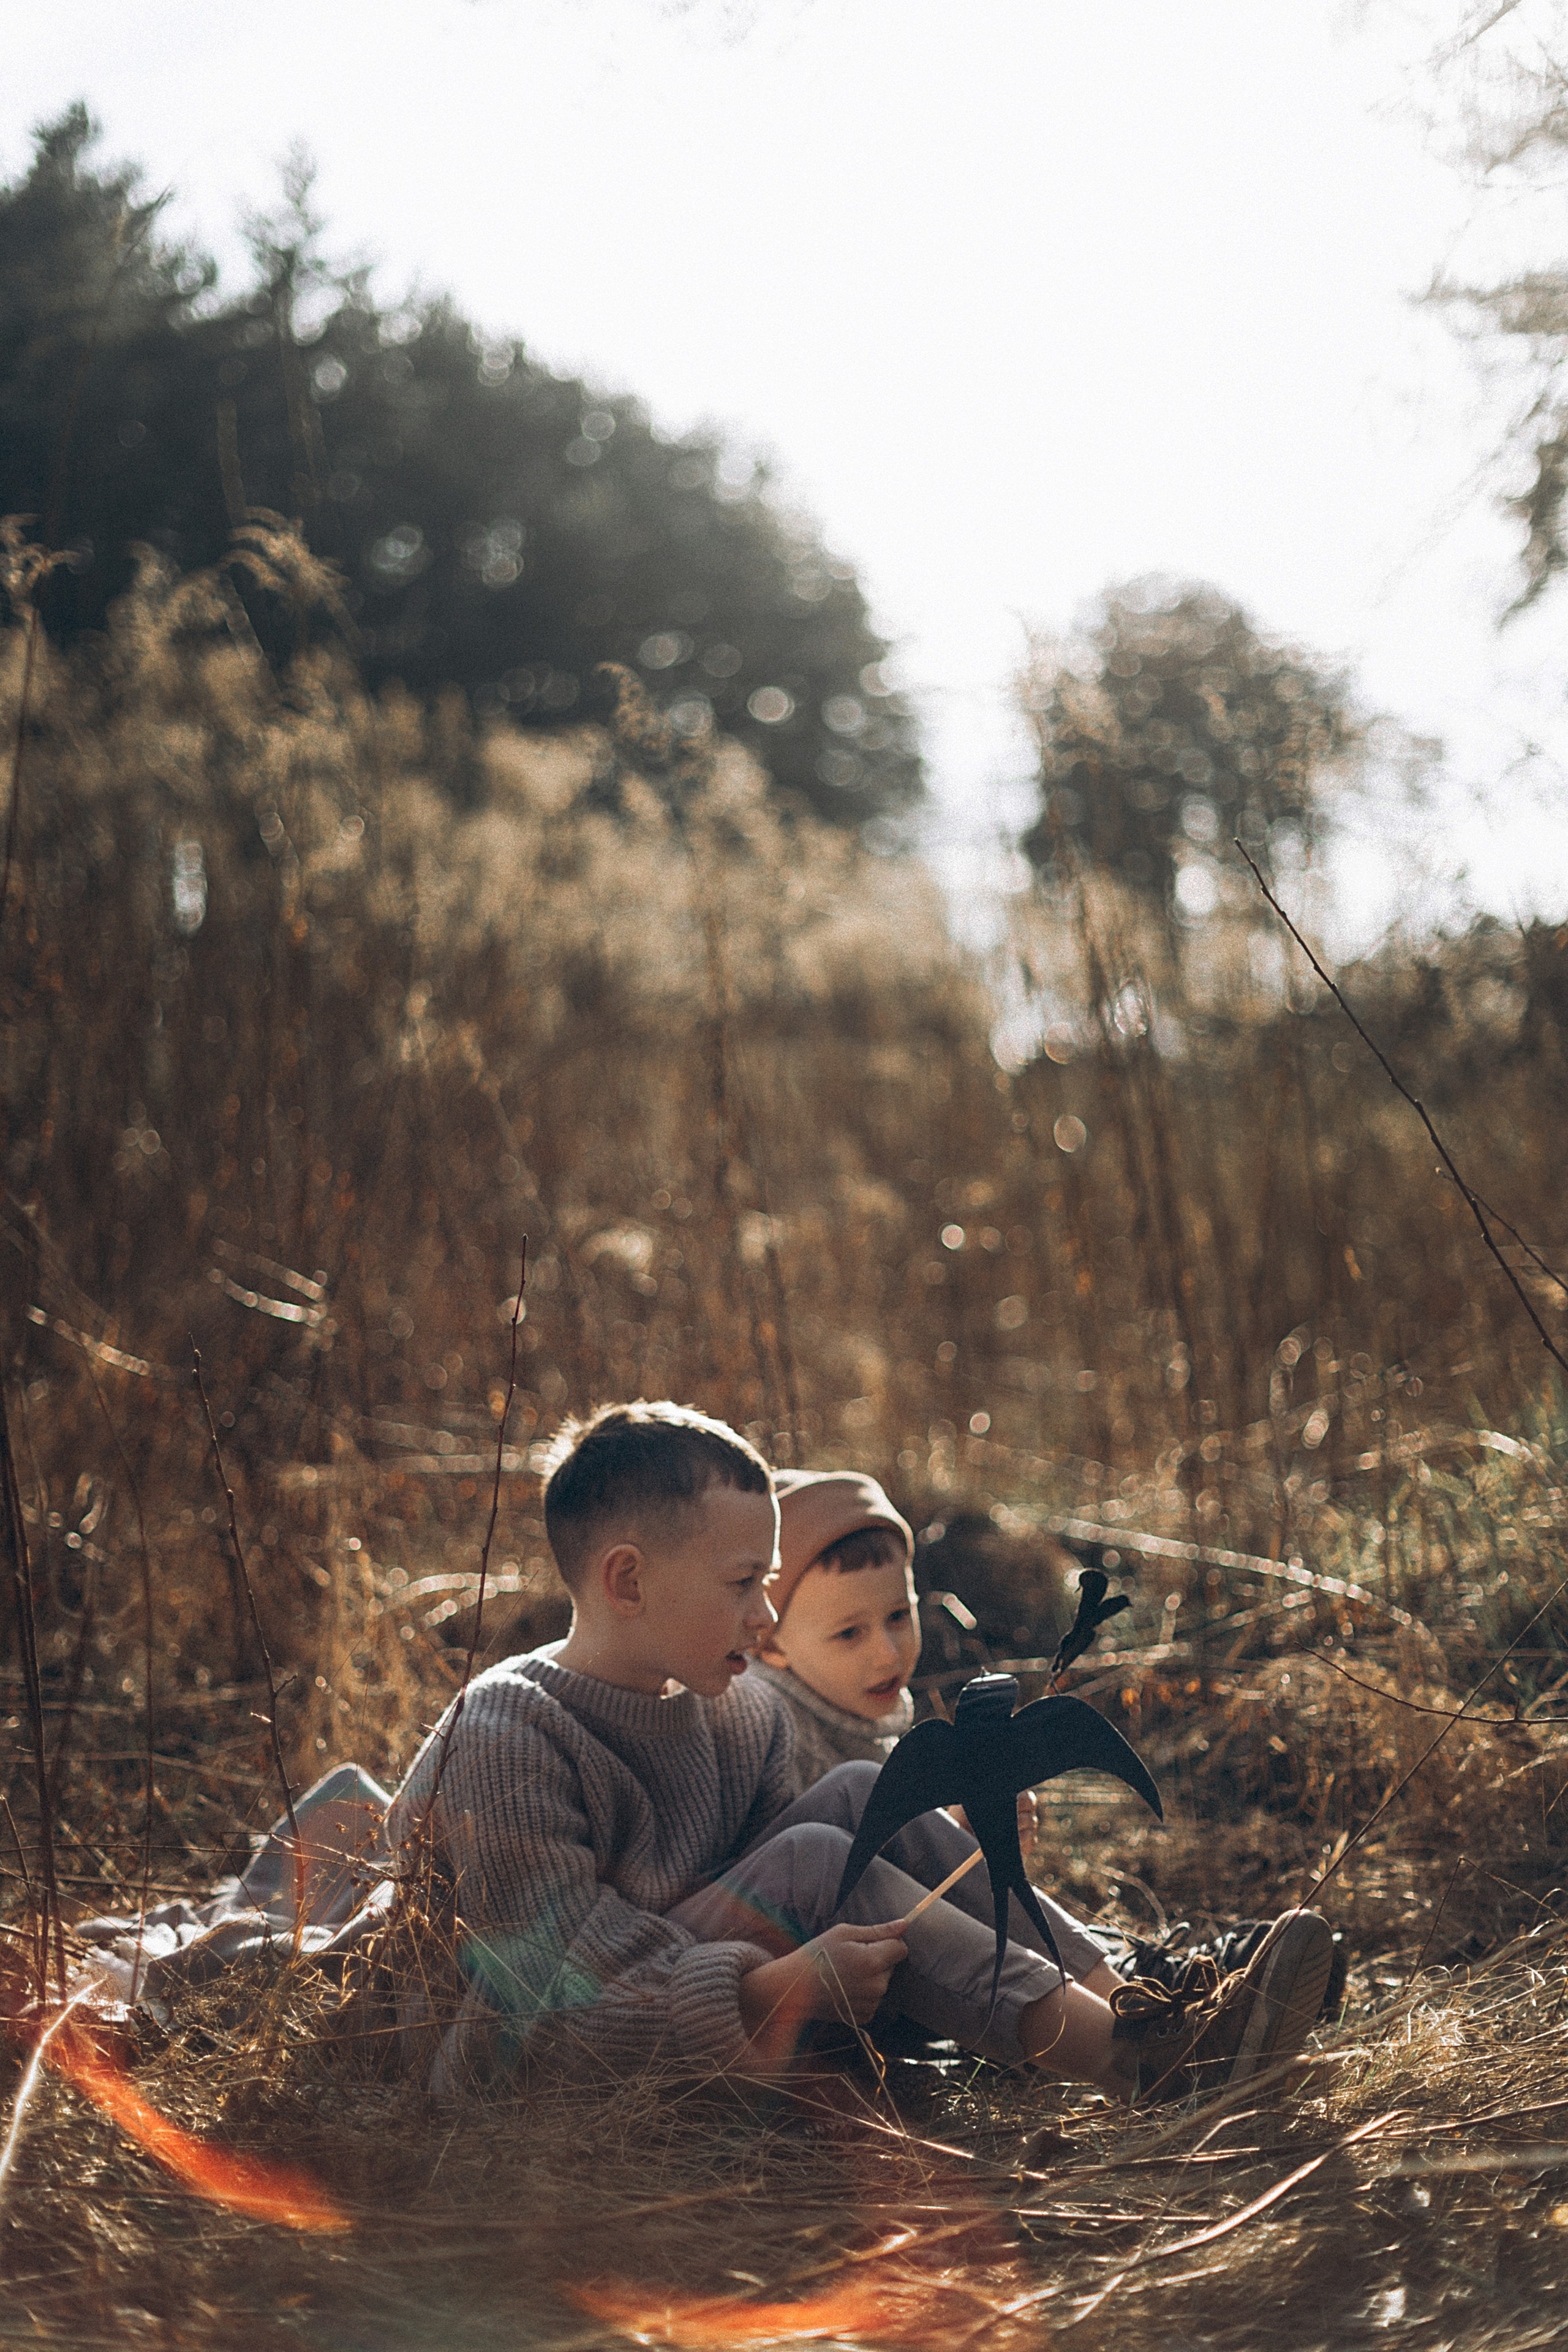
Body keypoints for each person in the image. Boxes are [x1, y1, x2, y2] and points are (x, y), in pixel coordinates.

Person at [383, 1400, 1336, 2105]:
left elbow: (809, 1885)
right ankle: (1143, 2069)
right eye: (744, 1584)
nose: (766, 1619)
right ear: (627, 1582)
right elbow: (555, 2005)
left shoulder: (735, 1714)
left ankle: (1141, 2009)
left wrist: (953, 1846)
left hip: (693, 1997)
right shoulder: (511, 1736)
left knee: (859, 1794)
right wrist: (771, 1989)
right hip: (522, 2061)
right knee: (820, 1847)